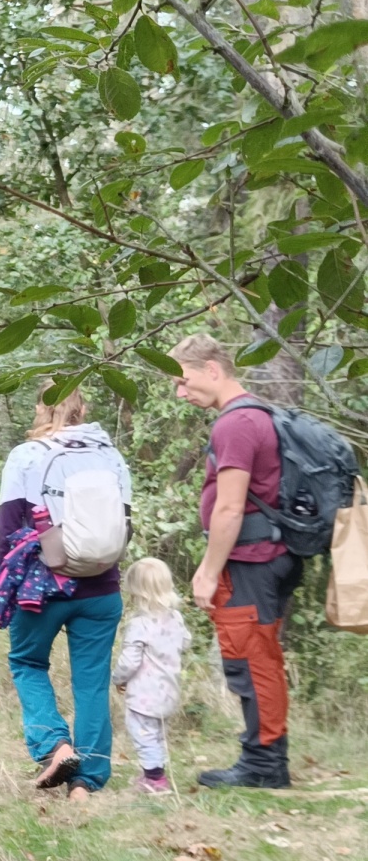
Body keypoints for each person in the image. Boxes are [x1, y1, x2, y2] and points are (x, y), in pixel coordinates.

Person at [0, 391, 132, 798]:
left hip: (43, 587)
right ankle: (85, 786)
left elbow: (7, 529)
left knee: (27, 662)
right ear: (84, 409)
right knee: (91, 682)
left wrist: (5, 589)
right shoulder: (112, 457)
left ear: (40, 407)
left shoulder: (27, 455)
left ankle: (55, 745)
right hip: (102, 587)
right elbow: (124, 527)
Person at [174, 335, 298, 788]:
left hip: (251, 558)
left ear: (212, 369)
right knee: (258, 654)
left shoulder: (236, 423)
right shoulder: (261, 414)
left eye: (184, 381)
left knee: (251, 659)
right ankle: (264, 757)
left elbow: (229, 506)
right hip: (269, 554)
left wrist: (208, 571)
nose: (181, 393)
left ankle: (265, 766)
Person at [112, 556, 190, 797]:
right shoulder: (175, 618)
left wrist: (117, 678)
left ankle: (155, 779)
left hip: (144, 693)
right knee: (157, 734)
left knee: (142, 734)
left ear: (136, 591)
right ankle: (155, 772)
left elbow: (130, 661)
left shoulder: (140, 625)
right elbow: (186, 642)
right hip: (169, 689)